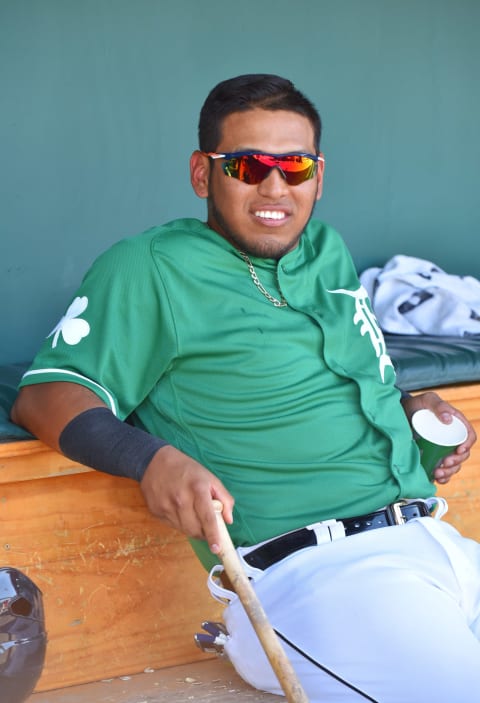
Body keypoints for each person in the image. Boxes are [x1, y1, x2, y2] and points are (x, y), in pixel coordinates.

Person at [11, 74, 480, 702]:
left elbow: (325, 385)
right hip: (316, 577)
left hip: (440, 543)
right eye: (248, 165)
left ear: (319, 174)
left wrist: (408, 405)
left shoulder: (326, 249)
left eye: (295, 166)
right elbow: (46, 394)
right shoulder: (151, 266)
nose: (274, 186)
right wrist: (150, 458)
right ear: (203, 175)